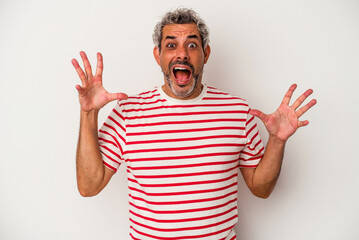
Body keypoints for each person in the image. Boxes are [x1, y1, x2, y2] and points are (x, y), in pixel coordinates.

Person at [71, 8, 316, 240]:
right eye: (170, 45)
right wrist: (89, 114)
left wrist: (277, 140)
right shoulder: (128, 112)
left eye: (192, 44)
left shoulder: (238, 111)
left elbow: (260, 188)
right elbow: (89, 186)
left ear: (205, 54)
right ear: (158, 55)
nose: (182, 53)